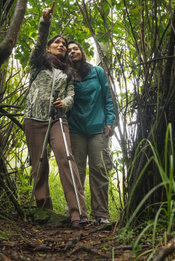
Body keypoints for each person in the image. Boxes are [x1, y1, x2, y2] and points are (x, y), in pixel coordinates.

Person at [23, 3, 88, 229]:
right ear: (49, 48)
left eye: (64, 43)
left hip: (58, 120)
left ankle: (77, 213)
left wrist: (65, 103)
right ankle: (44, 211)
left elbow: (71, 96)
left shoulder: (68, 73)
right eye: (57, 42)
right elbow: (40, 41)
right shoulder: (37, 63)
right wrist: (45, 23)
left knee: (66, 159)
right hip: (33, 118)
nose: (61, 45)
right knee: (38, 165)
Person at [66, 41, 116, 224]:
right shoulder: (66, 75)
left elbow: (108, 97)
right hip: (75, 129)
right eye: (69, 50)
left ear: (82, 51)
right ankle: (76, 212)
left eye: (75, 48)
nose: (72, 52)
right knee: (76, 172)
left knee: (99, 169)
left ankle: (101, 214)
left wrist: (110, 120)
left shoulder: (97, 72)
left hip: (98, 130)